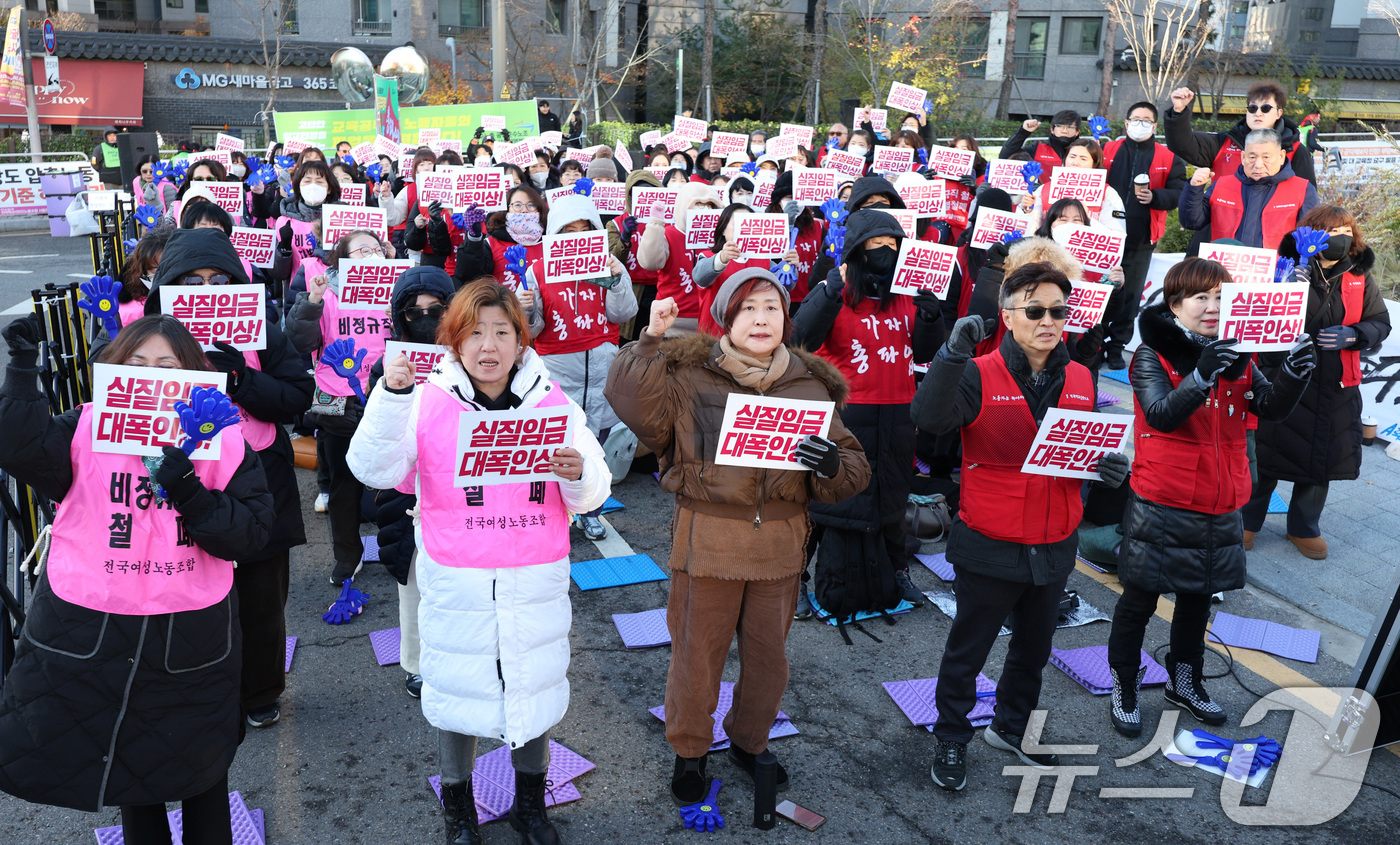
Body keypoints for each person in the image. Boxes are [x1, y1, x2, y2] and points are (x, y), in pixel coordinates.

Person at [349, 280, 610, 845]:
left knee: (532, 689)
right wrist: (392, 397)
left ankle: (530, 806)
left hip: (533, 576)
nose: (488, 345)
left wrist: (578, 473)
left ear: (520, 341)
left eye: (502, 332)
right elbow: (372, 468)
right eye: (474, 333)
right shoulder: (426, 399)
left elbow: (592, 491)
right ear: (454, 341)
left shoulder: (550, 400)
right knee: (457, 693)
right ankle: (458, 811)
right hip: (457, 578)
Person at [0, 313, 274, 843]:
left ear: (192, 376)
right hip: (93, 626)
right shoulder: (85, 426)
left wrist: (190, 492)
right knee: (129, 773)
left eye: (166, 366)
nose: (151, 376)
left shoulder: (224, 441)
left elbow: (251, 533)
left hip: (191, 633)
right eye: (137, 364)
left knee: (201, 772)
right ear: (116, 370)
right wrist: (20, 370)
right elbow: (21, 451)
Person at [606, 269, 869, 805]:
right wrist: (652, 338)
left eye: (771, 307)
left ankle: (750, 742)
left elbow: (854, 470)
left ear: (785, 319)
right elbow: (631, 404)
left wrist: (831, 463)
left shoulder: (811, 383)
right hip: (709, 543)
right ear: (726, 317)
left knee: (769, 660)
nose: (761, 318)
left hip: (778, 547)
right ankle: (690, 751)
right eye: (747, 308)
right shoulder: (687, 373)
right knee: (696, 656)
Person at [911, 263, 1129, 791]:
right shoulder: (977, 370)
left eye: (1059, 310)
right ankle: (951, 737)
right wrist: (950, 354)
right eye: (1035, 310)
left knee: (1033, 653)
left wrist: (1107, 472)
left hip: (1055, 544)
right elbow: (928, 417)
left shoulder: (1079, 375)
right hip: (989, 540)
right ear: (1007, 317)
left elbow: (1079, 454)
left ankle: (1010, 729)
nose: (1049, 320)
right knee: (968, 651)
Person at [1106, 258, 1312, 736]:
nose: (1213, 307)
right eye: (1201, 298)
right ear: (1175, 304)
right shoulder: (1150, 356)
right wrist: (1199, 377)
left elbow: (1267, 407)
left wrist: (1295, 375)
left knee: (1198, 601)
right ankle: (1125, 684)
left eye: (1221, 297)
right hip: (1163, 497)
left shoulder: (1241, 353)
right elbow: (1159, 415)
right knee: (1138, 599)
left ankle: (1186, 680)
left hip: (1222, 499)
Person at [143, 228, 315, 730]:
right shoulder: (150, 338)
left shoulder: (261, 323)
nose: (206, 289)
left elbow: (296, 397)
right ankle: (200, 689)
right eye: (191, 281)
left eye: (219, 279)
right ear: (167, 288)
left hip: (260, 475)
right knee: (188, 591)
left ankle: (261, 690)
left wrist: (241, 377)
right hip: (178, 485)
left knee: (262, 597)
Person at [793, 209, 943, 621]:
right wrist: (828, 292)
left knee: (892, 503)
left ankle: (897, 573)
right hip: (843, 415)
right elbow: (799, 337)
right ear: (857, 251)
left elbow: (928, 354)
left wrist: (932, 318)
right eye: (878, 245)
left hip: (897, 416)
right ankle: (794, 579)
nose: (887, 252)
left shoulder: (910, 295)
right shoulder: (835, 290)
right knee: (823, 505)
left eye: (895, 245)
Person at [1242, 207, 1392, 559]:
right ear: (1309, 235)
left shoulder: (1359, 277)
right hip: (1285, 377)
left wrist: (1354, 334)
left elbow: (1380, 322)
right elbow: (1257, 317)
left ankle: (1304, 526)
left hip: (1335, 384)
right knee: (1267, 453)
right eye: (1328, 230)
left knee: (1322, 457)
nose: (1338, 236)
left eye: (1344, 229)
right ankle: (1247, 521)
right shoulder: (1284, 268)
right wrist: (1286, 291)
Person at [519, 193, 637, 540]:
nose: (576, 237)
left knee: (595, 446)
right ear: (554, 233)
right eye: (567, 230)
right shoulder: (537, 269)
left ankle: (591, 511)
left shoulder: (610, 264)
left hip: (602, 365)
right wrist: (526, 308)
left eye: (584, 229)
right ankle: (553, 511)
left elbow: (624, 313)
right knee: (554, 442)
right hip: (557, 367)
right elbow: (532, 329)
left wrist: (616, 281)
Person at [363, 264, 456, 700]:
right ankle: (417, 665)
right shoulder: (387, 364)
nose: (425, 318)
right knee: (413, 588)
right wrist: (392, 388)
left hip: (463, 494)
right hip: (408, 496)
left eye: (436, 309)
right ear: (398, 316)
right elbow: (377, 433)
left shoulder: (472, 355)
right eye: (414, 311)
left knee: (461, 585)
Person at [285, 229, 395, 585]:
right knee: (343, 488)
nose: (370, 255)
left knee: (400, 480)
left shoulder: (397, 290)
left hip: (388, 396)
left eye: (375, 249)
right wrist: (312, 300)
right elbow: (300, 340)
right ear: (342, 260)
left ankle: (401, 547)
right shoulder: (327, 295)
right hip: (340, 404)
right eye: (360, 250)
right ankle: (347, 556)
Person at [1100, 102, 1188, 370]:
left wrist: (1156, 197)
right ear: (1126, 123)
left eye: (1146, 120)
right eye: (1135, 119)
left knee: (1129, 295)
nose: (1140, 124)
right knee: (1100, 290)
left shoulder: (1168, 157)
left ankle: (1116, 347)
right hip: (1102, 237)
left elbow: (1180, 191)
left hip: (1141, 238)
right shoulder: (1106, 150)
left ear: (1154, 126)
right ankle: (1094, 343)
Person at [1178, 128, 1319, 251]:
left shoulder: (1302, 189)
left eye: (1266, 157)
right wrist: (1194, 188)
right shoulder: (1221, 185)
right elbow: (1192, 221)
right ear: (1243, 157)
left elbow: (1311, 239)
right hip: (1224, 272)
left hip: (1278, 275)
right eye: (1252, 157)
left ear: (1281, 156)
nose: (1258, 165)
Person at [1164, 82, 1317, 186]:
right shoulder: (1223, 142)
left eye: (1265, 108)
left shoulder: (1295, 150)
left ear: (1279, 113)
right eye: (1252, 108)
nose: (1258, 113)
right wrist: (1178, 112)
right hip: (1223, 228)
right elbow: (1182, 144)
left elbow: (1307, 200)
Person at [636, 182, 724, 334]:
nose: (704, 208)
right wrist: (655, 226)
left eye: (709, 204)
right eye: (697, 203)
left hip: (712, 317)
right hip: (673, 318)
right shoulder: (669, 234)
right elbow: (649, 262)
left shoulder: (721, 237)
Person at [1018, 139, 1125, 232]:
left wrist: (1087, 218)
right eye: (1072, 157)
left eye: (1083, 159)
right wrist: (1027, 210)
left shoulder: (1107, 192)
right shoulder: (1045, 189)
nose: (1075, 163)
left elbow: (1115, 234)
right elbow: (1030, 231)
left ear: (1095, 164)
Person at [455, 184, 549, 287]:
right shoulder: (491, 244)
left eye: (531, 205)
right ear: (506, 210)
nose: (524, 210)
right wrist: (473, 241)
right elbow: (469, 277)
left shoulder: (550, 241)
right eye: (517, 205)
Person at [608, 168, 664, 342]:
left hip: (662, 289)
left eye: (650, 191)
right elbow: (610, 261)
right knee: (631, 340)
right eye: (638, 192)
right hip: (632, 290)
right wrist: (624, 238)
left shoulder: (669, 220)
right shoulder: (616, 224)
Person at [999, 110, 1082, 174]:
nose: (1065, 131)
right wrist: (1023, 132)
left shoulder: (1085, 151)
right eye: (1060, 126)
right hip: (1038, 194)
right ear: (1052, 129)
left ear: (1077, 131)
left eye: (1070, 127)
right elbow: (1006, 156)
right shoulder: (1037, 149)